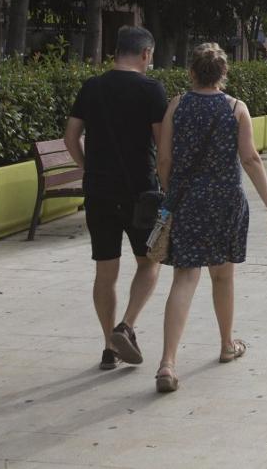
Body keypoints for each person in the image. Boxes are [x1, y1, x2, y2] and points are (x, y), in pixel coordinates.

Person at [153, 44, 267, 393]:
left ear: (192, 72)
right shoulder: (236, 109)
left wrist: (171, 194)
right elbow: (251, 159)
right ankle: (226, 344)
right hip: (226, 201)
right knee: (223, 277)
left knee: (184, 279)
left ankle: (167, 363)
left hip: (187, 201)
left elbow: (163, 159)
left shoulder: (177, 106)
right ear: (223, 73)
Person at [64, 26, 168, 371]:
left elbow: (70, 136)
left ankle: (109, 346)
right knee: (149, 262)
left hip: (99, 191)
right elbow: (161, 145)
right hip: (141, 192)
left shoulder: (92, 87)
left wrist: (88, 166)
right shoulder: (152, 90)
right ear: (146, 54)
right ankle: (126, 325)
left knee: (105, 270)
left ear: (115, 52)